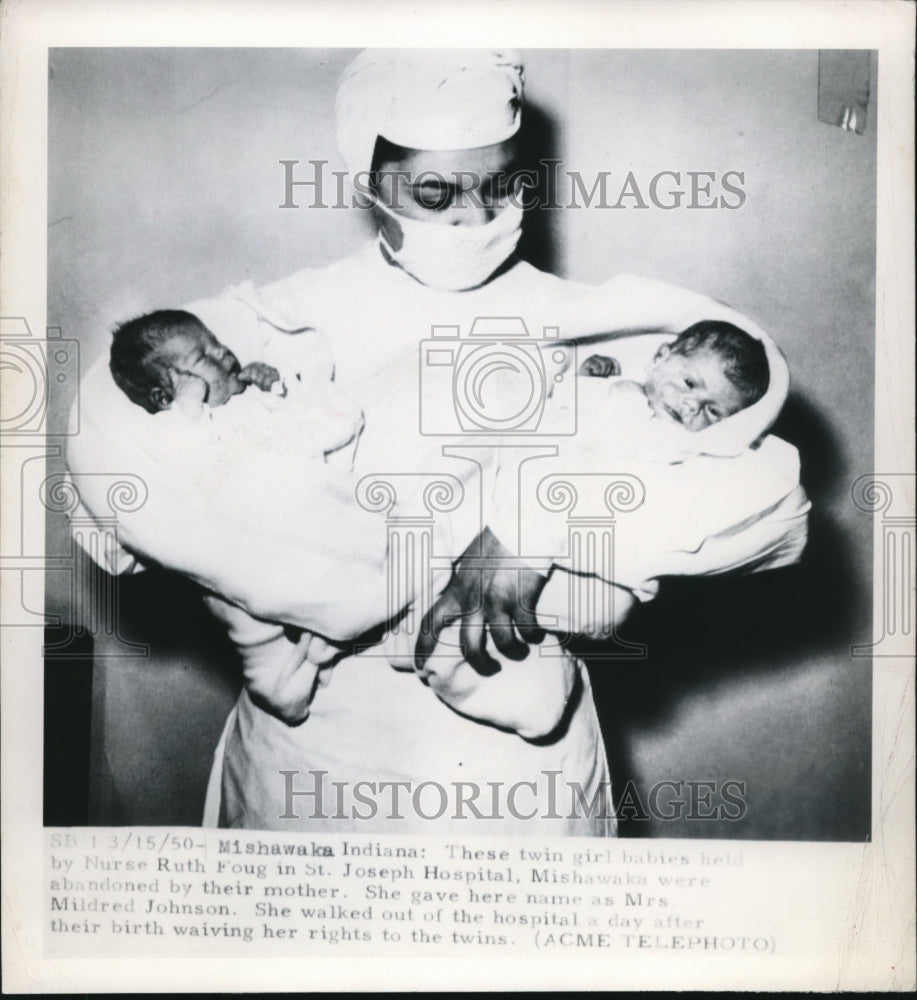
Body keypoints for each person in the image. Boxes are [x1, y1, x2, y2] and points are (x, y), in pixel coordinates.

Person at [68, 49, 810, 836]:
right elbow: (110, 510)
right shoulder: (283, 321)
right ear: (368, 178)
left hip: (520, 773)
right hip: (312, 765)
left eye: (500, 185)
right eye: (434, 191)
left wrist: (533, 528)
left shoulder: (604, 327)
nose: (471, 216)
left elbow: (776, 516)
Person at [578, 320, 769, 433]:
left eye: (713, 411)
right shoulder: (615, 387)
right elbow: (564, 408)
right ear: (659, 358)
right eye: (689, 382)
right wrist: (585, 379)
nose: (693, 406)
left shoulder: (689, 446)